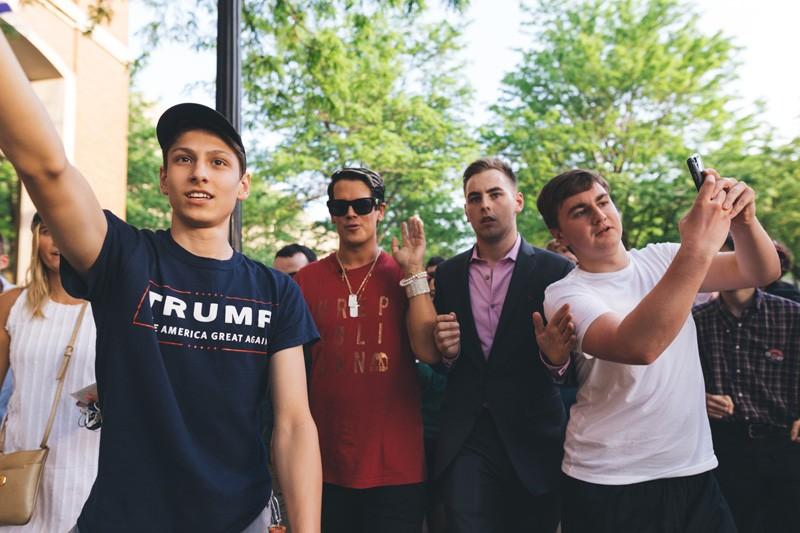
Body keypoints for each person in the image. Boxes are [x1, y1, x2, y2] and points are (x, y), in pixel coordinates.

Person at [0, 32, 321, 533]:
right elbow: (47, 168)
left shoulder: (275, 291)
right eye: (183, 158)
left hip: (238, 520)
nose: (199, 173)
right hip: (124, 519)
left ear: (242, 186)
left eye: (218, 162)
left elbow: (294, 423)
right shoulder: (124, 257)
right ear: (163, 179)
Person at [537, 167, 780, 532]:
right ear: (559, 234)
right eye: (580, 211)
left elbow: (760, 270)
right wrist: (697, 246)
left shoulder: (664, 258)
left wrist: (744, 222)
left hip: (693, 466)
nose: (599, 215)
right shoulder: (564, 294)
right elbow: (639, 346)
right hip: (611, 478)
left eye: (603, 202)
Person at [415, 157, 574, 533]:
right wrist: (448, 355)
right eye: (474, 198)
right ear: (466, 210)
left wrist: (555, 361)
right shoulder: (450, 274)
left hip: (533, 436)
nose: (485, 204)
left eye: (494, 194)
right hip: (468, 436)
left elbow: (573, 367)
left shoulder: (557, 272)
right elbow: (443, 359)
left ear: (516, 201)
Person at [293, 167, 439, 533]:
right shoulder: (305, 281)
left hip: (397, 465)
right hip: (324, 463)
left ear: (380, 209)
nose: (351, 214)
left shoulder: (403, 273)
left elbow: (429, 351)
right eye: (340, 207)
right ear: (331, 214)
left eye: (361, 204)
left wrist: (415, 269)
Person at [694, 235, 800, 533]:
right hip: (726, 445)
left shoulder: (790, 314)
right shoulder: (697, 320)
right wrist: (700, 399)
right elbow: (676, 381)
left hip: (785, 442)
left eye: (732, 259)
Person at [0, 214, 98, 532]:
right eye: (47, 231)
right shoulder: (12, 304)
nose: (58, 239)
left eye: (68, 227)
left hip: (88, 468)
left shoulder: (114, 308)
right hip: (18, 465)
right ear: (36, 239)